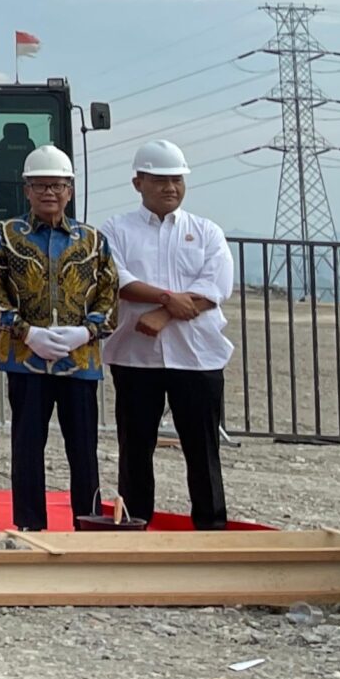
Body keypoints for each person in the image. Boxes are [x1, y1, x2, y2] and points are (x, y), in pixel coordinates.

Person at [0, 143, 121, 532]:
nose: (49, 193)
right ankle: (29, 525)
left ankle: (88, 522)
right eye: (40, 186)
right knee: (27, 447)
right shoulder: (4, 235)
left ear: (69, 190)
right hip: (25, 359)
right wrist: (26, 331)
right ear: (26, 190)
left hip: (80, 363)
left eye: (57, 186)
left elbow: (110, 293)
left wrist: (85, 331)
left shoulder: (93, 241)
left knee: (83, 451)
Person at [101, 138, 234, 531]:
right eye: (160, 180)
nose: (170, 188)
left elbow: (217, 285)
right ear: (138, 182)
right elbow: (117, 279)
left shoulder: (206, 231)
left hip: (197, 357)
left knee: (203, 449)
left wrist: (162, 313)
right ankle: (134, 525)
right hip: (135, 356)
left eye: (176, 180)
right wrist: (167, 299)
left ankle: (211, 530)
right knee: (135, 449)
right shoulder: (117, 229)